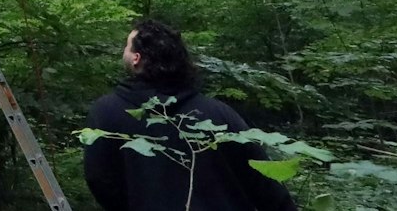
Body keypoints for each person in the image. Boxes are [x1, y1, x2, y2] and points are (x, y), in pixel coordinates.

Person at [83, 20, 299, 211]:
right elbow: (264, 180)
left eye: (126, 47)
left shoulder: (106, 113)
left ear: (136, 58)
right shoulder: (218, 113)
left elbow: (100, 180)